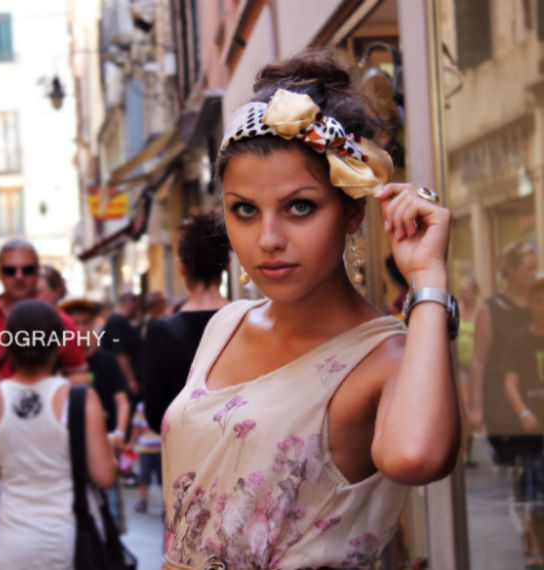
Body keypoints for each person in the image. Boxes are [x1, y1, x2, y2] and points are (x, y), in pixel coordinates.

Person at [161, 50, 460, 567]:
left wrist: (428, 278)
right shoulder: (225, 325)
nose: (268, 239)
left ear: (351, 212)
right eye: (245, 210)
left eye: (300, 207)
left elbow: (416, 456)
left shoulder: (385, 356)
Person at [0, 299, 116, 569]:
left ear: (7, 343)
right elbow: (105, 476)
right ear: (60, 345)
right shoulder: (80, 399)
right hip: (71, 541)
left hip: (12, 543)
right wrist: (111, 446)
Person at [143, 210, 230, 433]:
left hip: (188, 449)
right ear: (228, 264)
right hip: (244, 448)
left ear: (181, 266)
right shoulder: (251, 319)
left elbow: (155, 415)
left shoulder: (160, 333)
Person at [0, 238, 88, 382]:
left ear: (37, 272)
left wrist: (52, 388)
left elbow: (79, 374)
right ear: (0, 274)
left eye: (27, 270)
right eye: (10, 271)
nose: (19, 276)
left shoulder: (60, 321)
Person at [60, 297, 130, 530]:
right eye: (74, 323)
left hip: (105, 446)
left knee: (110, 519)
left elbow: (122, 400)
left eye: (85, 322)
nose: (80, 329)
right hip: (70, 450)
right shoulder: (60, 366)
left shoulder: (106, 360)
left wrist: (119, 433)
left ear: (93, 325)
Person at [470, 242, 537, 465]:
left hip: (535, 395)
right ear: (512, 271)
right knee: (512, 461)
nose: (534, 274)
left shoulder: (538, 307)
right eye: (529, 268)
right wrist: (476, 408)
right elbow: (478, 361)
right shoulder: (490, 309)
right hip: (500, 398)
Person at [502, 275, 544, 567]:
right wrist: (524, 414)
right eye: (539, 301)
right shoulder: (518, 341)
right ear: (530, 304)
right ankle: (536, 546)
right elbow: (510, 383)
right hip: (530, 432)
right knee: (535, 497)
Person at [100, 291, 143, 397]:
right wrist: (131, 380)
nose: (138, 311)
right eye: (137, 306)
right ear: (130, 303)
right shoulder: (117, 321)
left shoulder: (119, 320)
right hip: (124, 381)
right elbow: (120, 353)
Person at [456, 275, 479, 466]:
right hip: (460, 367)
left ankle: (469, 451)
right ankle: (463, 450)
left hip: (475, 369)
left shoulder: (480, 313)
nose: (464, 294)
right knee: (464, 405)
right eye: (462, 290)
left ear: (475, 293)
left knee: (472, 407)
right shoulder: (456, 311)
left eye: (467, 290)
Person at [127, 401, 161, 514]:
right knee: (144, 476)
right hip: (145, 448)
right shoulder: (142, 407)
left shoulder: (166, 403)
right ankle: (143, 500)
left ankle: (166, 502)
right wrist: (132, 443)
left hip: (162, 448)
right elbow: (136, 427)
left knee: (163, 478)